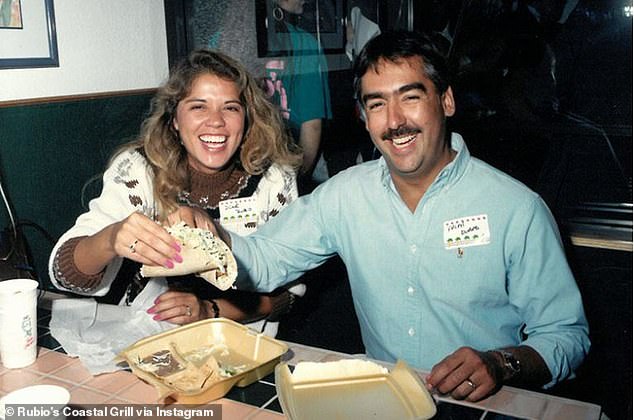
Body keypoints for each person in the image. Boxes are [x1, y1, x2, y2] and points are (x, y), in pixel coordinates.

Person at [207, 31, 590, 401]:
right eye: (376, 104)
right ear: (364, 116)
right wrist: (206, 235)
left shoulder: (516, 208)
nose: (394, 121)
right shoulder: (345, 195)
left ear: (447, 101)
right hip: (386, 402)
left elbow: (566, 336)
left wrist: (500, 363)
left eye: (410, 97)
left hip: (486, 406)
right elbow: (263, 260)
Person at [48, 49, 303, 337]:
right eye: (198, 107)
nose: (216, 121)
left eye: (231, 107)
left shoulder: (274, 180)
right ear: (175, 120)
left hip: (240, 343)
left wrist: (210, 310)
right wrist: (110, 238)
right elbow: (66, 274)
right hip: (140, 339)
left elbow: (288, 295)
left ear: (246, 120)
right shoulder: (138, 169)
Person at [265, 0, 332, 188]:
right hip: (292, 167)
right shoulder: (306, 44)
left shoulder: (227, 37)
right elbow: (311, 126)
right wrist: (296, 185)